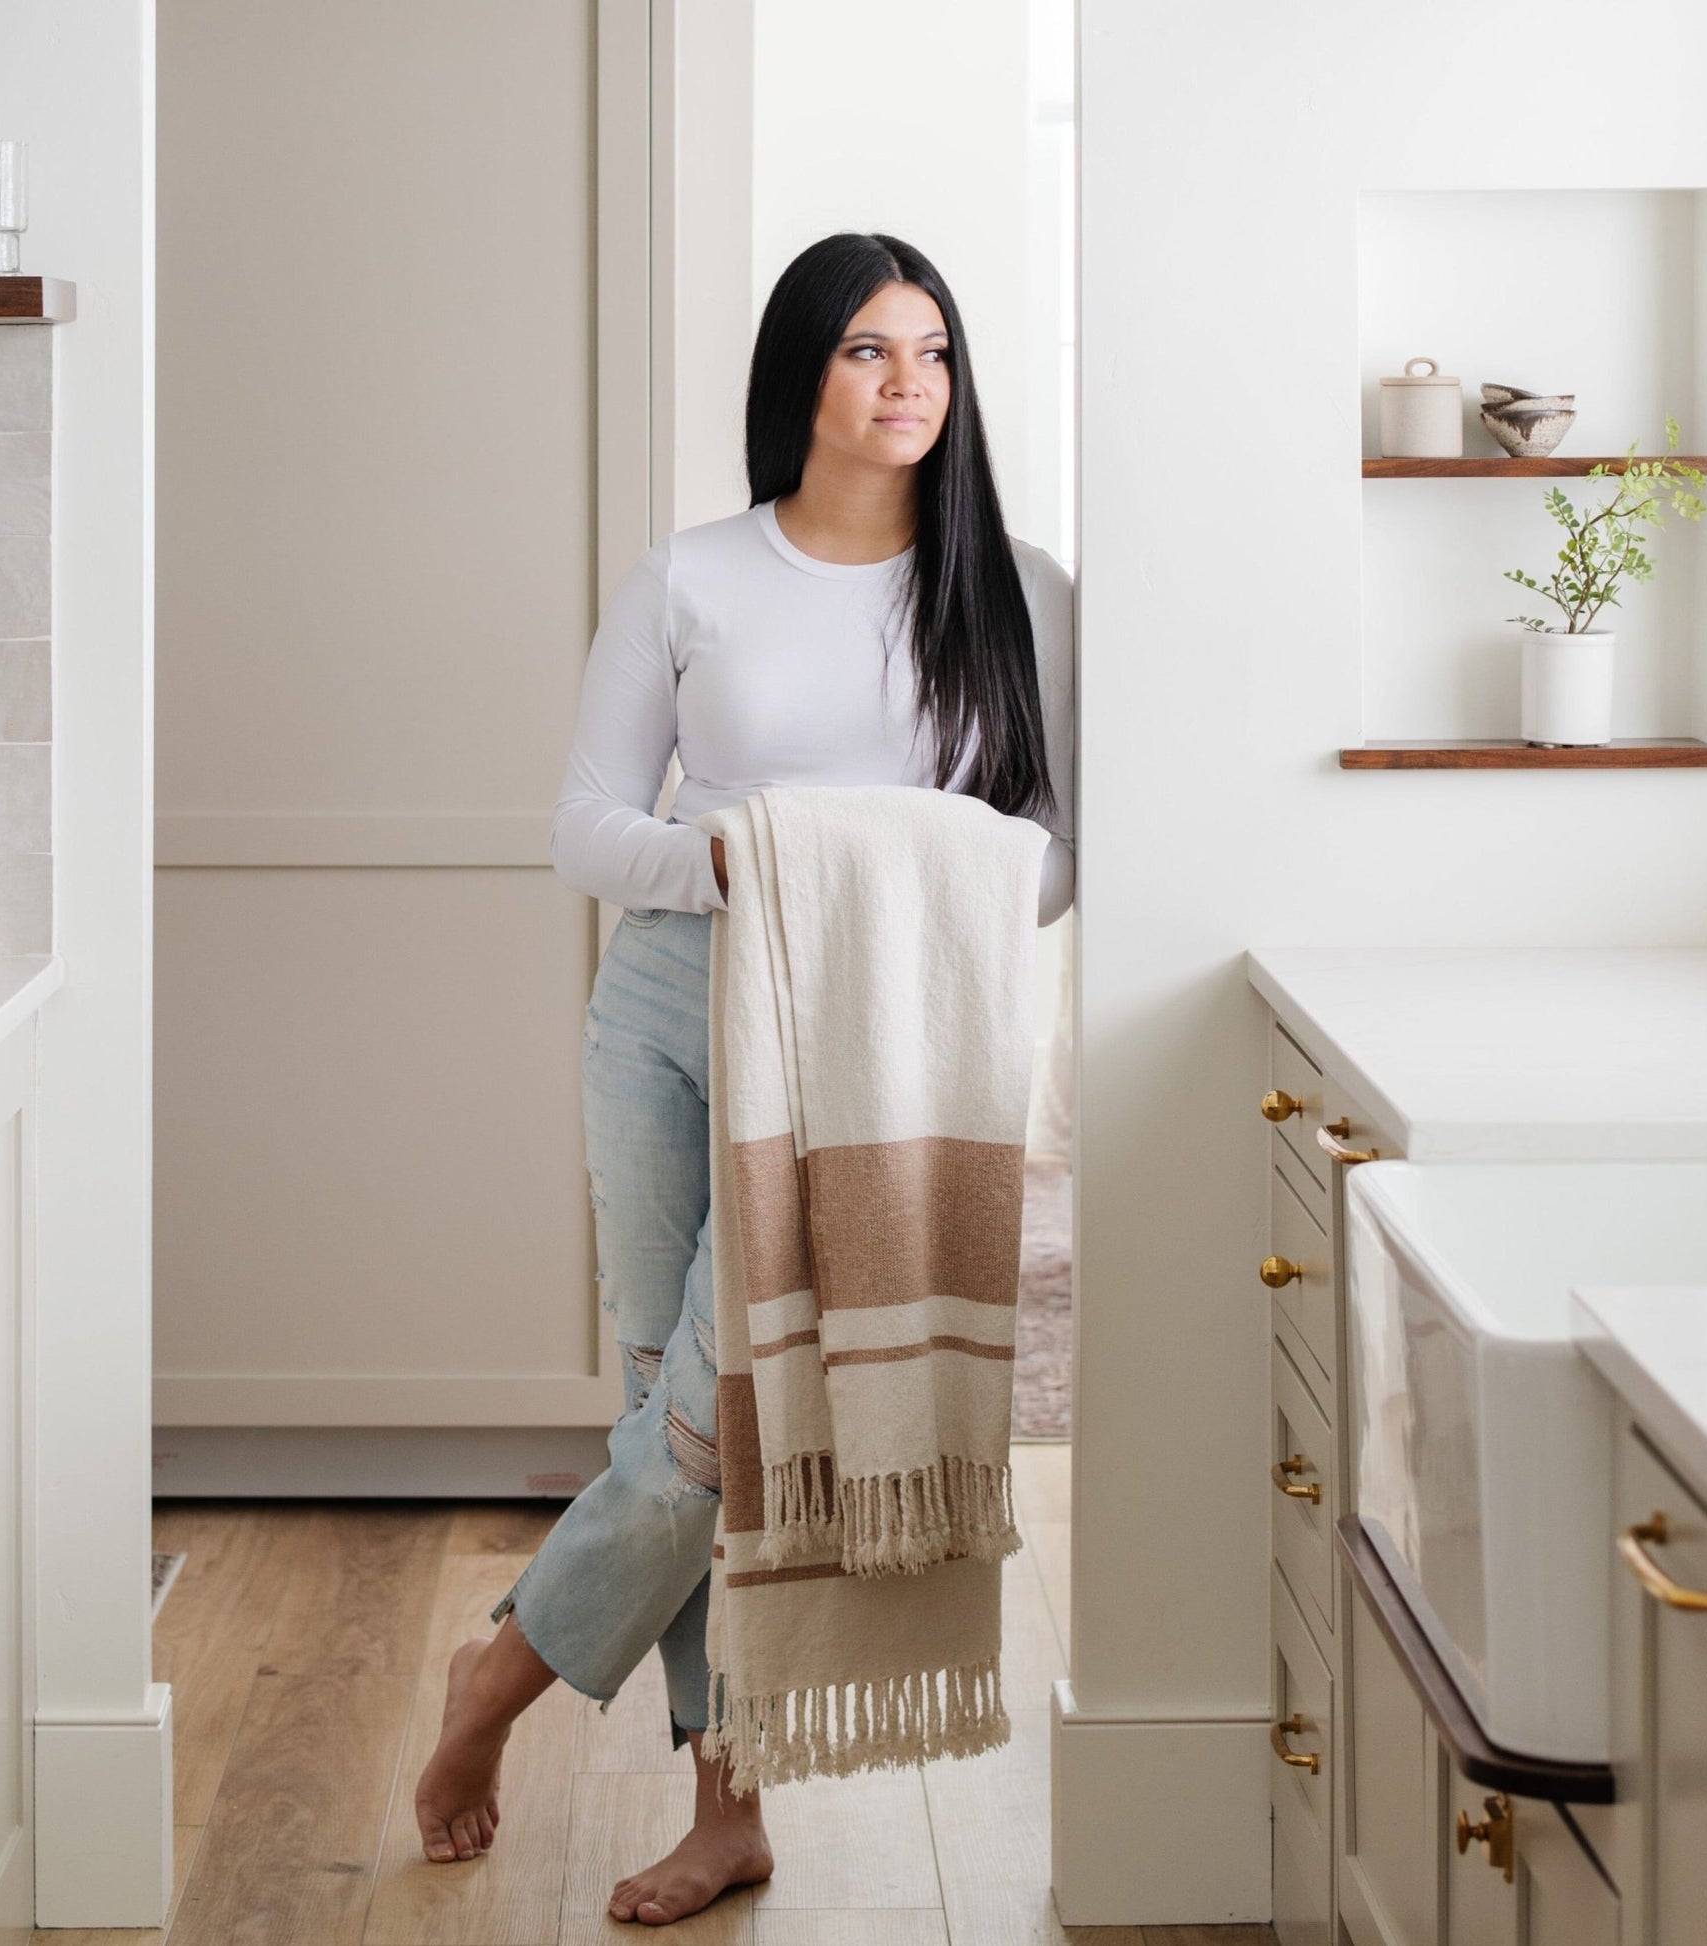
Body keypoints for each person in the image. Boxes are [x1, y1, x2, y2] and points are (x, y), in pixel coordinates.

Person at [412, 230, 1077, 1926]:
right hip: (670, 1010)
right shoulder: (691, 575)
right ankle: (730, 1805)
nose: (908, 382)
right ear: (800, 374)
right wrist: (753, 869)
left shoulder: (1017, 586)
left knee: (718, 1427)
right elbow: (581, 827)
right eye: (867, 350)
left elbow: (1051, 856)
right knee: (674, 1399)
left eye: (931, 350)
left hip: (872, 1043)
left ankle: (501, 1670)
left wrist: (848, 886)